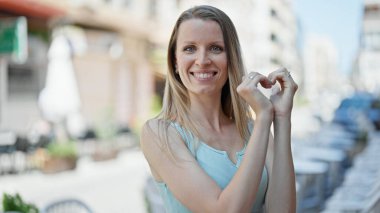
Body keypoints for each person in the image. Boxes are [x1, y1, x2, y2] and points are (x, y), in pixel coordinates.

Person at [141, 5, 298, 213]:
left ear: (230, 58)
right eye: (190, 48)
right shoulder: (159, 133)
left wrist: (281, 117)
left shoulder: (253, 130)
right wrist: (263, 119)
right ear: (175, 62)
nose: (203, 60)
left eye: (215, 48)